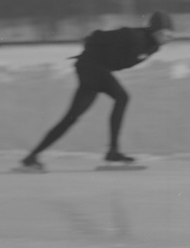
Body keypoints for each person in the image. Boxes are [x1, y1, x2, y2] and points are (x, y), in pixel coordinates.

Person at [19, 10, 174, 171]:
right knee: (122, 97)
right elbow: (96, 36)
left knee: (72, 117)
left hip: (95, 70)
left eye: (170, 35)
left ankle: (32, 156)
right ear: (153, 30)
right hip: (91, 67)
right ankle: (113, 152)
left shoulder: (153, 47)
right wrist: (91, 50)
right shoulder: (133, 36)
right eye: (163, 34)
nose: (166, 38)